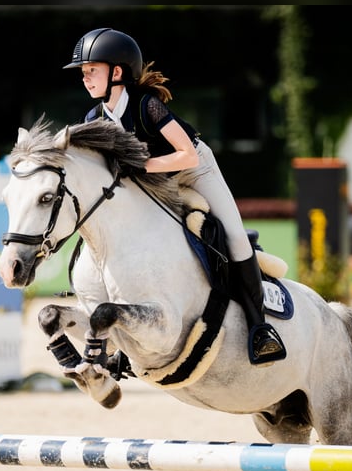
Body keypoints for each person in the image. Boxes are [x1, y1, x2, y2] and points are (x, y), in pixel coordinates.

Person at [63, 27, 286, 367]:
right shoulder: (94, 118)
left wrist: (141, 163)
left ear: (117, 72)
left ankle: (260, 328)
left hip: (195, 170)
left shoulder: (146, 105)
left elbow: (187, 155)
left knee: (236, 238)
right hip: (151, 177)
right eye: (83, 72)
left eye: (91, 69)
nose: (85, 77)